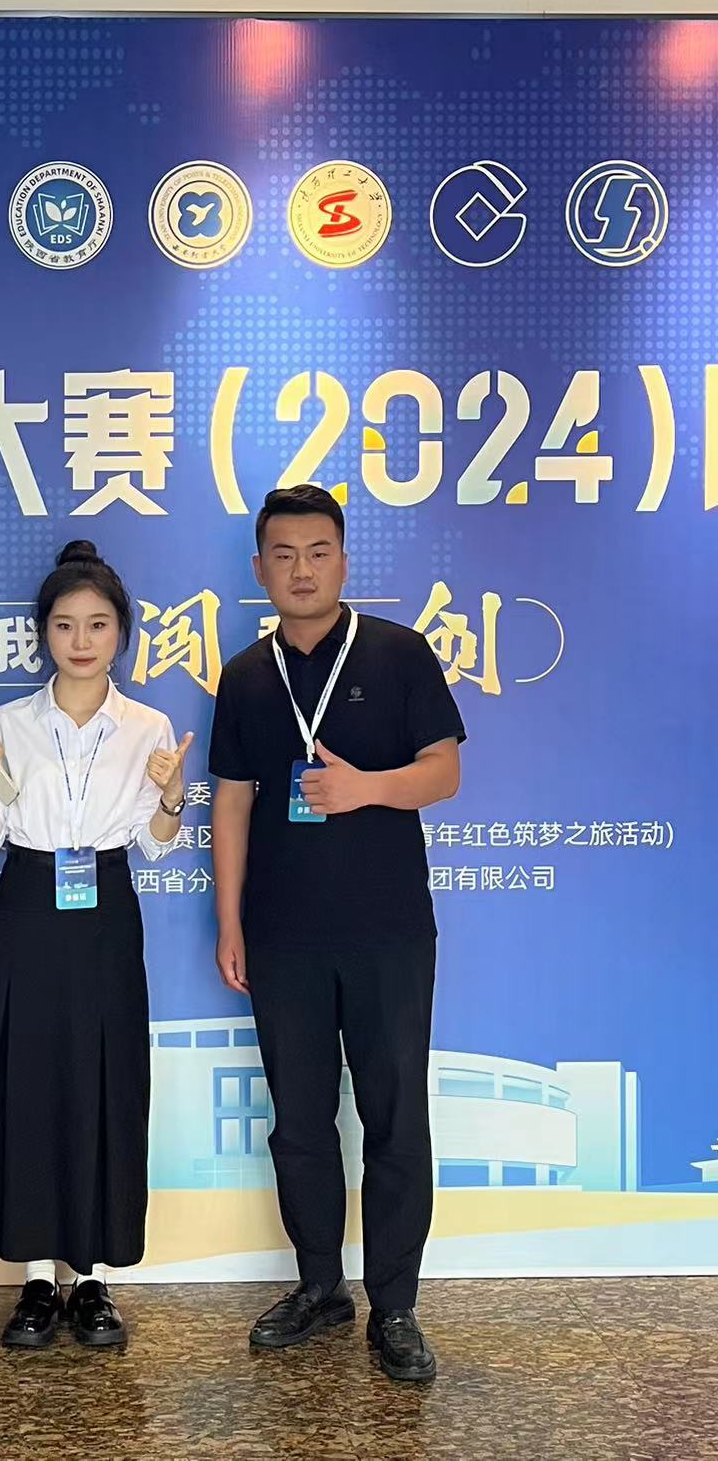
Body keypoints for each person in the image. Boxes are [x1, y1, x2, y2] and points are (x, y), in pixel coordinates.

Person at [208, 485, 464, 1383]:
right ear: (260, 568)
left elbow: (444, 772)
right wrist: (229, 919)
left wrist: (366, 788)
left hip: (389, 931)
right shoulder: (245, 675)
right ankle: (320, 1285)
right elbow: (231, 800)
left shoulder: (398, 652)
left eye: (318, 552)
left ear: (344, 561)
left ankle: (396, 1305)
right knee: (301, 1119)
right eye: (283, 554)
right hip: (283, 935)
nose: (302, 569)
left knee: (395, 1117)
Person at [0, 540, 193, 1350]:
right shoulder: (9, 724)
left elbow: (155, 844)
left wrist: (171, 796)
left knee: (103, 1078)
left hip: (106, 908)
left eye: (97, 623)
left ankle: (90, 1279)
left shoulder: (148, 725)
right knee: (27, 1077)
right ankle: (33, 1280)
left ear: (121, 632)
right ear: (42, 633)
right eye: (63, 624)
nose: (80, 639)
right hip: (28, 901)